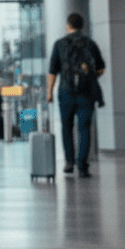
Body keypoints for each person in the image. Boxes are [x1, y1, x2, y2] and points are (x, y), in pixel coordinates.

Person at [46, 12, 105, 178]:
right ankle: (83, 166)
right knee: (84, 128)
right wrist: (89, 76)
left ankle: (69, 162)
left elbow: (52, 71)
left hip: (66, 91)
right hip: (86, 93)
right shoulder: (90, 44)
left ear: (68, 26)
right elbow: (100, 68)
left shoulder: (59, 44)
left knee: (66, 127)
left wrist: (49, 92)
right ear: (82, 26)